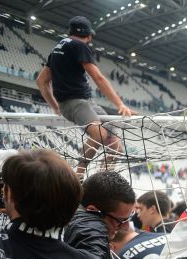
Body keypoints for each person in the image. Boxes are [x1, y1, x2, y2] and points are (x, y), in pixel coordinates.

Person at [36, 16, 134, 174]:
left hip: (84, 102)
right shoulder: (79, 46)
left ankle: (104, 179)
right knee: (99, 134)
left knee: (115, 144)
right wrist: (120, 104)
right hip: (75, 103)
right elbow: (99, 78)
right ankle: (78, 175)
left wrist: (55, 107)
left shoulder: (58, 47)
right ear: (88, 35)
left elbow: (41, 81)